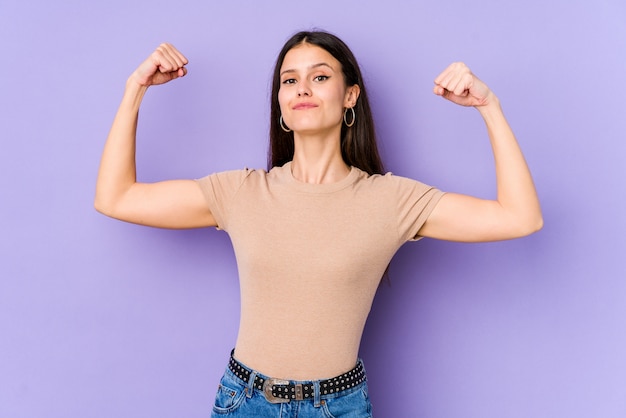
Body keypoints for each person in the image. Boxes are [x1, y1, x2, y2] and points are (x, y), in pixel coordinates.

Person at [95, 30, 542, 417]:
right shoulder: (242, 192)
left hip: (338, 406)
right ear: (282, 107)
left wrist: (490, 107)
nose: (302, 88)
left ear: (350, 95)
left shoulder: (391, 200)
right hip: (244, 402)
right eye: (290, 81)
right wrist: (135, 88)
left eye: (320, 76)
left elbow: (519, 217)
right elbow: (116, 197)